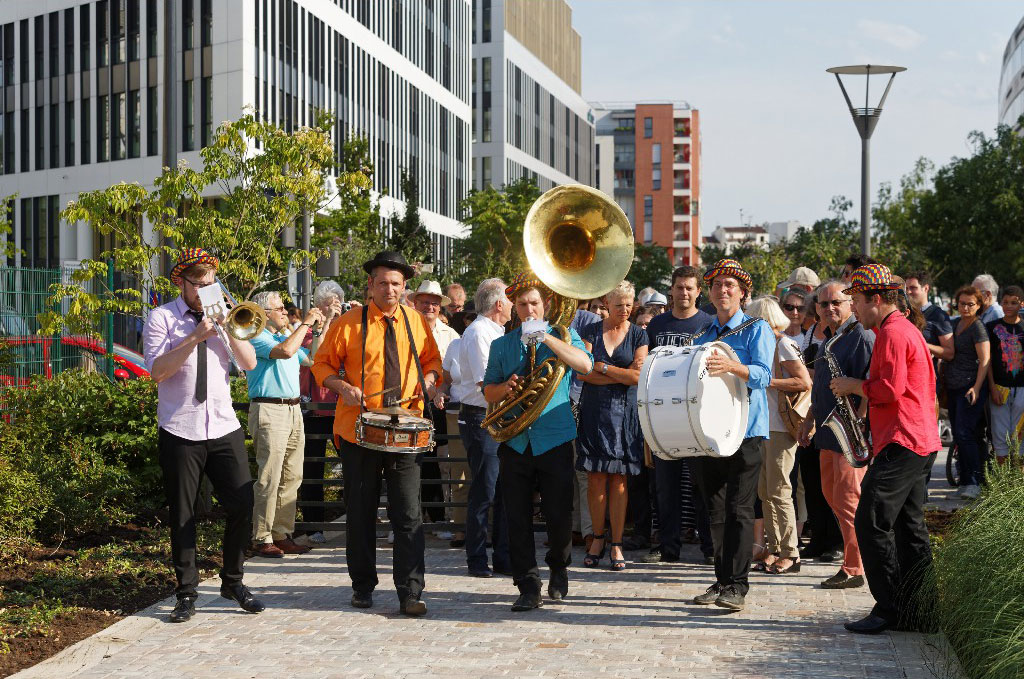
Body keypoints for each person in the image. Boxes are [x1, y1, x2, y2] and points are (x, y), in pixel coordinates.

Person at [311, 250, 442, 617]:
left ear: (404, 287)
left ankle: (411, 592)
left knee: (409, 514)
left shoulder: (416, 322)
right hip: (358, 430)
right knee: (361, 512)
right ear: (370, 285)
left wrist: (431, 381)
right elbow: (321, 364)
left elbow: (432, 361)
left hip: (405, 431)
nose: (389, 289)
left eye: (396, 283)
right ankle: (362, 585)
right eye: (382, 282)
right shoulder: (349, 323)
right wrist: (341, 386)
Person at [143, 248, 264, 623]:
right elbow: (157, 371)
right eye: (199, 282)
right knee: (183, 514)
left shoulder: (225, 316)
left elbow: (249, 363)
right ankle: (186, 592)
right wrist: (195, 336)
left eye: (211, 280)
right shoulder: (161, 317)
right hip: (180, 428)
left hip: (223, 425)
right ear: (182, 282)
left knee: (243, 504)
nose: (206, 288)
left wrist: (228, 327)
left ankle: (233, 580)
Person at [829, 263, 941, 634]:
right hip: (916, 439)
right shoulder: (900, 329)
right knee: (909, 529)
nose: (853, 309)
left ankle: (889, 609)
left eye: (857, 301)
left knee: (870, 521)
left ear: (877, 299)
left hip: (902, 440)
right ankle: (921, 612)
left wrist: (852, 385)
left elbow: (889, 390)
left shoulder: (892, 334)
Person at [482, 272, 594, 611]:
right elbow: (488, 389)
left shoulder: (563, 333)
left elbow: (585, 365)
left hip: (555, 437)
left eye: (534, 303)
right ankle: (527, 585)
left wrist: (547, 339)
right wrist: (507, 389)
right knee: (516, 517)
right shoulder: (502, 344)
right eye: (522, 304)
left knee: (559, 515)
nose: (529, 310)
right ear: (513, 307)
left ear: (545, 305)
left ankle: (558, 567)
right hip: (516, 441)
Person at [689, 259, 775, 612]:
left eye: (730, 285)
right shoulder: (702, 335)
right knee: (716, 511)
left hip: (746, 432)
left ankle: (738, 585)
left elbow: (764, 375)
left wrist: (733, 367)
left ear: (742, 293)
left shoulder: (757, 329)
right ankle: (723, 579)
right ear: (708, 292)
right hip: (709, 435)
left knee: (740, 509)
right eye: (716, 285)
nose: (722, 290)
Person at [798, 280, 874, 590]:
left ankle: (856, 567)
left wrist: (861, 423)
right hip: (829, 432)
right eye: (823, 303)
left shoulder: (861, 336)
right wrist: (809, 420)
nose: (830, 308)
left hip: (850, 433)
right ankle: (850, 561)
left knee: (848, 500)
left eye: (836, 303)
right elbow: (822, 388)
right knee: (833, 497)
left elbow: (871, 382)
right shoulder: (830, 339)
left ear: (850, 304)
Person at [644, 266, 714, 565]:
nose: (684, 293)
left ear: (698, 291)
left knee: (703, 486)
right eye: (679, 287)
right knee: (666, 487)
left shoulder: (709, 323)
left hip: (697, 419)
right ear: (670, 290)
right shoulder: (657, 326)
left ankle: (710, 548)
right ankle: (668, 548)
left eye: (690, 288)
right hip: (662, 419)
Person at [576, 281, 648, 572]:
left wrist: (603, 368)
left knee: (619, 481)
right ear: (607, 302)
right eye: (619, 305)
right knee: (595, 478)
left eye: (629, 304)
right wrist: (620, 373)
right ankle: (597, 538)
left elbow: (637, 377)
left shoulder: (640, 334)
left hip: (625, 415)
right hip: (594, 412)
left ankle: (616, 543)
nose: (625, 310)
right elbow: (583, 373)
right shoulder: (590, 330)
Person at [247, 291, 324, 557]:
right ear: (264, 314)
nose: (284, 312)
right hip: (269, 408)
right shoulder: (256, 336)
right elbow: (286, 352)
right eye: (280, 308)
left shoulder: (283, 335)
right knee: (269, 476)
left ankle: (281, 533)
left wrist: (321, 328)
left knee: (292, 476)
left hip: (293, 409)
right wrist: (305, 324)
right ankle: (261, 536)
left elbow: (313, 359)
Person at [746, 296, 812, 575]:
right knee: (766, 492)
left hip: (781, 427)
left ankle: (790, 553)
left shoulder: (782, 343)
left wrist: (766, 380)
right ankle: (775, 549)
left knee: (780, 490)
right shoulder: (768, 343)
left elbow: (804, 382)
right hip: (765, 426)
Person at [455, 279, 513, 577]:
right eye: (510, 300)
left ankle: (502, 556)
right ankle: (477, 558)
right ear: (499, 304)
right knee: (485, 489)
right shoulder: (479, 332)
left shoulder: (496, 332)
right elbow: (484, 383)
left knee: (502, 489)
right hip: (481, 416)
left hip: (496, 416)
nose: (514, 306)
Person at [297, 280, 347, 545]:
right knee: (312, 470)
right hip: (315, 410)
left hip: (341, 409)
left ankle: (363, 517)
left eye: (337, 303)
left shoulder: (348, 328)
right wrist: (327, 323)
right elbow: (316, 358)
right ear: (318, 306)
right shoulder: (306, 332)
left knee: (353, 467)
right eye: (328, 304)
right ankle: (313, 525)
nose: (333, 308)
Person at [411, 280, 461, 527]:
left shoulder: (451, 335)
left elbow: (457, 371)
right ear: (415, 303)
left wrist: (440, 390)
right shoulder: (403, 328)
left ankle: (440, 517)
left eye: (434, 303)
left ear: (440, 307)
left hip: (439, 406)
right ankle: (410, 519)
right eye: (425, 302)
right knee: (408, 463)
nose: (429, 307)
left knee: (440, 463)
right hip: (408, 406)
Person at [945, 286, 992, 499]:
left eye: (970, 304)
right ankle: (965, 480)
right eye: (962, 303)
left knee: (966, 433)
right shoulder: (954, 323)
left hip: (971, 387)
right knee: (958, 434)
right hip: (953, 387)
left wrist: (977, 387)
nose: (965, 307)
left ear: (979, 306)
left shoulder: (978, 327)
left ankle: (974, 481)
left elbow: (985, 361)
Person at [987, 285, 1024, 461]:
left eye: (1014, 303)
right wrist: (992, 387)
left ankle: (1017, 484)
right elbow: (987, 361)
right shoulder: (992, 327)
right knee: (1000, 436)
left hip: (1022, 388)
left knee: (1019, 438)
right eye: (1005, 302)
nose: (1009, 306)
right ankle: (1002, 484)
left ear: (1021, 304)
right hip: (1000, 388)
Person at [904, 271, 954, 363]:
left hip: (927, 373)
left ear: (926, 288)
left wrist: (923, 345)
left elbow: (949, 353)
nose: (908, 292)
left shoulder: (939, 316)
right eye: (906, 288)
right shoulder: (904, 313)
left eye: (913, 288)